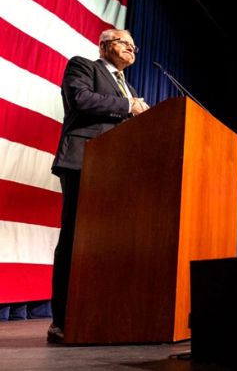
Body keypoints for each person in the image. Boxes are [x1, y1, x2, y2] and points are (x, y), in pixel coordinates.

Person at [48, 29, 149, 343]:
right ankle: (62, 320)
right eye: (124, 42)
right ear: (105, 45)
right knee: (76, 238)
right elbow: (80, 99)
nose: (131, 48)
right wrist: (128, 105)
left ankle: (103, 314)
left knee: (111, 244)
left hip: (119, 171)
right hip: (84, 161)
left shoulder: (129, 87)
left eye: (134, 45)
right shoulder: (83, 66)